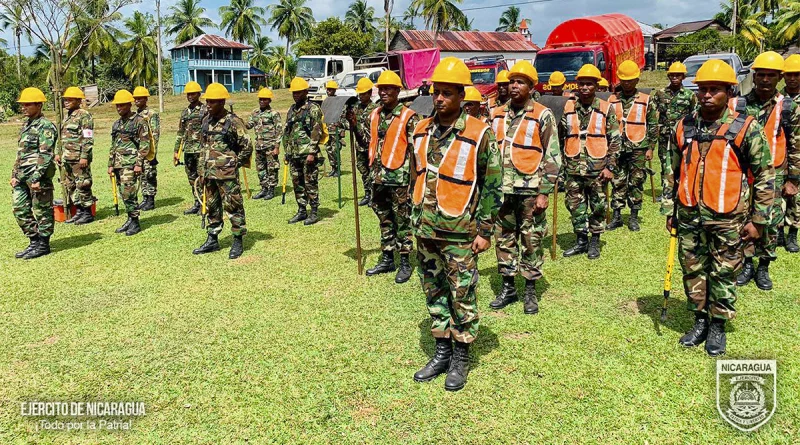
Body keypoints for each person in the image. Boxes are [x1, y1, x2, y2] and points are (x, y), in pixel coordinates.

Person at [662, 59, 775, 356]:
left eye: (715, 89)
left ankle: (718, 326)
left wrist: (759, 219)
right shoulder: (683, 126)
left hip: (729, 217)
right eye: (702, 89)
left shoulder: (746, 128)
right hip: (689, 213)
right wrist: (669, 211)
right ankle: (700, 320)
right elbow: (671, 171)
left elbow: (765, 173)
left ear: (729, 91)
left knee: (724, 271)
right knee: (693, 269)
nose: (707, 95)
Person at [410, 57, 502, 392]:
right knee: (434, 292)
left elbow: (493, 184)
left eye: (448, 93)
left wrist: (485, 231)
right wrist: (413, 218)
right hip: (425, 230)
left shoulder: (480, 134)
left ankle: (461, 357)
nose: (440, 99)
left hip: (461, 232)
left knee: (462, 294)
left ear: (462, 96)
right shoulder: (420, 130)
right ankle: (442, 351)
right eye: (437, 92)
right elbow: (414, 177)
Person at [489, 61, 562, 314]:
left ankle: (530, 290)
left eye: (520, 82)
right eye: (511, 81)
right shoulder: (496, 113)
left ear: (532, 86)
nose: (514, 86)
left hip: (530, 189)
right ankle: (508, 288)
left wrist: (544, 191)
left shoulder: (542, 115)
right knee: (504, 238)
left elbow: (553, 156)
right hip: (502, 190)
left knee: (531, 239)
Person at [732, 51, 800, 291]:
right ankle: (747, 263)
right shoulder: (740, 104)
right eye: (761, 75)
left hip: (775, 175)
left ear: (779, 77)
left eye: (771, 75)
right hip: (743, 173)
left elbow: (796, 145)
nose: (765, 80)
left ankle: (763, 267)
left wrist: (793, 179)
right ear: (755, 75)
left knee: (770, 222)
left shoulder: (788, 107)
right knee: (744, 218)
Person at [558, 64, 621, 259]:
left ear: (596, 85)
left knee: (598, 206)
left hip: (598, 169)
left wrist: (610, 167)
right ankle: (581, 240)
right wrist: (560, 165)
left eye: (589, 84)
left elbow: (615, 139)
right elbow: (561, 138)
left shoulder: (605, 108)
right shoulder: (568, 107)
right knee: (575, 205)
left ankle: (594, 241)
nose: (585, 88)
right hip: (573, 167)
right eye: (582, 84)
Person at [365, 70, 419, 283]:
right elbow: (368, 141)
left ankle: (405, 261)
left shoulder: (409, 117)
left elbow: (417, 152)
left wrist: (415, 182)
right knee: (384, 218)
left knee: (402, 220)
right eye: (381, 88)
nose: (384, 92)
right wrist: (352, 123)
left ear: (398, 91)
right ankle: (388, 257)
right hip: (378, 177)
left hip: (400, 179)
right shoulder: (375, 114)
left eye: (389, 88)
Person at [192, 83, 252, 259]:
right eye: (207, 101)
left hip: (227, 175)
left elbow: (247, 146)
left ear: (222, 102)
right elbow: (203, 148)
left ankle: (237, 240)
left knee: (233, 205)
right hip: (208, 174)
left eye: (212, 101)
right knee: (212, 206)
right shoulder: (205, 121)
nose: (208, 104)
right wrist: (201, 171)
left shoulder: (233, 122)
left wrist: (234, 164)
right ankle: (212, 239)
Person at [607, 60, 658, 232]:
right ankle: (616, 216)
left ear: (637, 80)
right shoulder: (611, 99)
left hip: (639, 147)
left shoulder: (645, 100)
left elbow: (652, 124)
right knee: (617, 181)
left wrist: (651, 147)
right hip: (617, 148)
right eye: (624, 80)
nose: (627, 83)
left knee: (636, 182)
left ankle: (634, 216)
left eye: (630, 80)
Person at [11, 87, 57, 259]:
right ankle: (34, 241)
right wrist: (14, 174)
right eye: (22, 104)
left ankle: (43, 245)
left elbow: (45, 154)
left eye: (27, 104)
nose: (23, 107)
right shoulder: (26, 125)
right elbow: (21, 153)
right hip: (22, 176)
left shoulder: (45, 126)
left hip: (38, 177)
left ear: (38, 105)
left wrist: (37, 178)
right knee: (19, 208)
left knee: (42, 211)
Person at [108, 90, 152, 236]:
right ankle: (129, 218)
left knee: (129, 193)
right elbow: (113, 145)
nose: (119, 108)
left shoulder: (139, 121)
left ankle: (135, 221)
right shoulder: (116, 124)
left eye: (121, 105)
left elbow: (145, 144)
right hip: (118, 164)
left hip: (131, 163)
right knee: (123, 193)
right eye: (117, 106)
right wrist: (110, 164)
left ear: (129, 105)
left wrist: (139, 163)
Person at [282, 77, 325, 226]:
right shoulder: (291, 110)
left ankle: (313, 211)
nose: (295, 95)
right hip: (294, 153)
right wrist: (286, 151)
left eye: (299, 92)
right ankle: (301, 210)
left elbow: (317, 131)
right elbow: (287, 131)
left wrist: (312, 152)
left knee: (310, 182)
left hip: (307, 154)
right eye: (294, 92)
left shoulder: (313, 109)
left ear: (306, 92)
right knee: (297, 183)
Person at [652, 62, 697, 203]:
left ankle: (682, 189)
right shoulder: (660, 93)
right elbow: (653, 113)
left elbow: (694, 115)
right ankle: (666, 192)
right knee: (665, 164)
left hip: (682, 136)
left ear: (683, 77)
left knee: (684, 163)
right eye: (672, 75)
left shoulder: (690, 95)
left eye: (677, 75)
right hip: (665, 136)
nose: (674, 78)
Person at [57, 86, 95, 225]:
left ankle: (87, 212)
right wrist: (58, 153)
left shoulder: (84, 115)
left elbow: (88, 137)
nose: (66, 102)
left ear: (78, 101)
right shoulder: (67, 117)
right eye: (65, 100)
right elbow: (62, 138)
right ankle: (78, 210)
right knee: (71, 185)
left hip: (79, 158)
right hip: (67, 157)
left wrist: (84, 156)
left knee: (83, 184)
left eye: (70, 100)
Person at [174, 81, 207, 215]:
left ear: (199, 94)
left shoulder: (205, 110)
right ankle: (196, 202)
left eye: (193, 94)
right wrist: (176, 151)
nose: (190, 96)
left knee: (202, 177)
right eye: (188, 94)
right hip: (188, 150)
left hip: (201, 150)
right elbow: (180, 133)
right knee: (191, 178)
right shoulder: (184, 112)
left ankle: (204, 203)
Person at [348, 77, 378, 206]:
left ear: (370, 93)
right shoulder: (356, 108)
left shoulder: (376, 109)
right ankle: (367, 194)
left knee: (373, 172)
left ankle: (374, 195)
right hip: (359, 147)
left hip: (372, 146)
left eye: (364, 93)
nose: (361, 96)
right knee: (363, 171)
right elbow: (349, 125)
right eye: (359, 93)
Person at [247, 87, 282, 200]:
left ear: (269, 101)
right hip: (259, 146)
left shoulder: (274, 114)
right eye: (260, 99)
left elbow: (279, 130)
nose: (262, 101)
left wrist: (277, 147)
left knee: (272, 168)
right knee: (260, 168)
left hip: (270, 146)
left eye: (264, 99)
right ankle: (264, 188)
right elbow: (248, 125)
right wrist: (237, 120)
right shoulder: (255, 113)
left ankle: (271, 189)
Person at [782, 53, 800, 253]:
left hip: (799, 154)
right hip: (781, 154)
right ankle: (778, 232)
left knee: (797, 197)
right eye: (789, 75)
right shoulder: (778, 99)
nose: (793, 78)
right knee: (778, 195)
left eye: (797, 74)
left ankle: (793, 234)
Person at [132, 87, 159, 211]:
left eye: (139, 98)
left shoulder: (151, 114)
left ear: (146, 99)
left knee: (150, 174)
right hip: (139, 150)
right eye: (135, 98)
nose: (137, 100)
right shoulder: (136, 115)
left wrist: (152, 153)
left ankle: (151, 199)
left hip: (149, 150)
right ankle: (145, 198)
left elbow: (154, 134)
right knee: (142, 174)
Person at [324, 80, 348, 177]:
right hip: (327, 130)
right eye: (327, 90)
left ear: (334, 90)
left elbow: (343, 117)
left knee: (335, 150)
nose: (328, 91)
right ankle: (333, 168)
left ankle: (337, 168)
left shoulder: (339, 103)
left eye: (330, 90)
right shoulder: (326, 101)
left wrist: (342, 130)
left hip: (336, 130)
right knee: (328, 150)